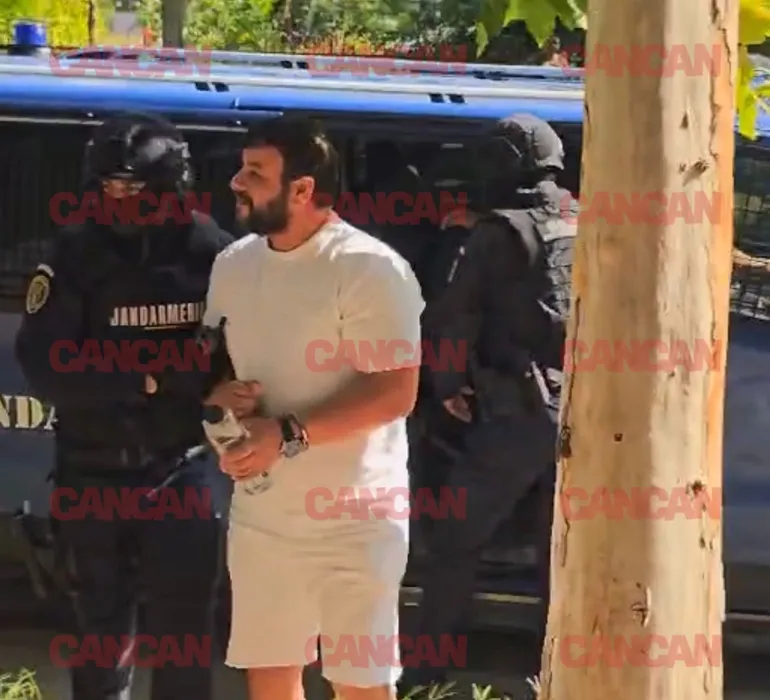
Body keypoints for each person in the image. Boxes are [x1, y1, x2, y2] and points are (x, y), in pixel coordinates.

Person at [202, 115, 425, 700]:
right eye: (242, 168)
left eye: (255, 173)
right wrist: (217, 400)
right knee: (270, 675)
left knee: (359, 682)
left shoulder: (370, 267)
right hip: (263, 516)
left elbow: (395, 391)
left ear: (302, 189)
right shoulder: (233, 264)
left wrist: (285, 434)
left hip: (358, 518)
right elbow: (217, 371)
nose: (236, 182)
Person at [15, 112, 234, 700]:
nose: (119, 199)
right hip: (93, 470)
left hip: (181, 467)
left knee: (185, 633)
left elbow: (239, 357)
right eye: (109, 186)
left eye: (134, 187)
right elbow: (47, 366)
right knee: (99, 637)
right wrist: (149, 380)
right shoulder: (75, 253)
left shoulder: (213, 253)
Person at [400, 114, 578, 694]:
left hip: (517, 416)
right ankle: (559, 678)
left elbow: (456, 318)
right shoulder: (583, 218)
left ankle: (425, 680)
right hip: (583, 412)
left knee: (454, 542)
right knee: (561, 555)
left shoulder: (497, 234)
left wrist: (448, 386)